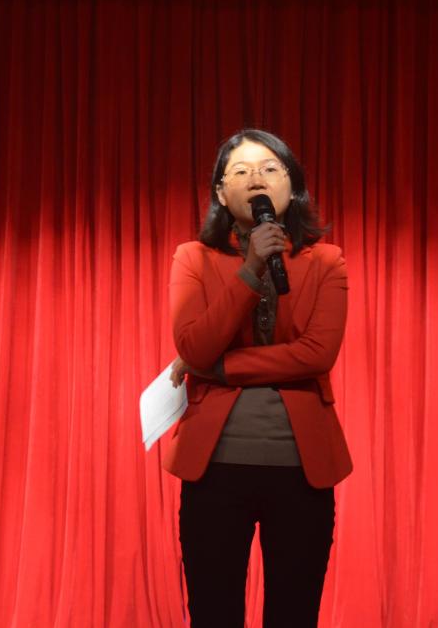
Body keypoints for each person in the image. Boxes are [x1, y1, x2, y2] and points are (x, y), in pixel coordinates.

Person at [163, 129, 353, 627]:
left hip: (301, 468)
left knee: (294, 614)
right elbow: (194, 346)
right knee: (214, 614)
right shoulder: (192, 258)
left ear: (293, 185)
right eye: (241, 171)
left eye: (270, 168)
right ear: (221, 192)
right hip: (215, 468)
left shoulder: (326, 261)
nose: (256, 179)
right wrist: (249, 270)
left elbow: (317, 354)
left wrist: (219, 369)